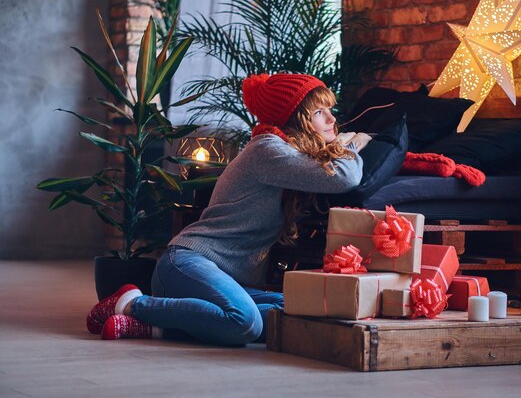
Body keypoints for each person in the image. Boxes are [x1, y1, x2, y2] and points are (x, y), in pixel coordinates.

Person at [85, 73, 372, 345]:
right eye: (319, 112)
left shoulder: (289, 154)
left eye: (329, 109)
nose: (332, 119)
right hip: (187, 265)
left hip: (224, 282)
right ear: (295, 120)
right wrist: (351, 144)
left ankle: (156, 325)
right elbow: (345, 177)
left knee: (297, 309)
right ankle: (133, 304)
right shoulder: (267, 150)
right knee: (246, 322)